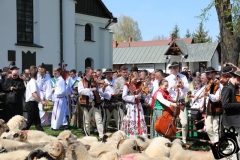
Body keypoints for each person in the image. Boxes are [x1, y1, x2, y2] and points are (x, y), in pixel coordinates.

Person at [165, 61, 190, 144]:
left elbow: (187, 89)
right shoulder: (168, 78)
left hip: (181, 101)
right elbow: (164, 90)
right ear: (171, 69)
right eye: (174, 68)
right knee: (171, 121)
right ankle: (170, 138)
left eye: (177, 67)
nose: (175, 69)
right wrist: (171, 87)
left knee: (184, 122)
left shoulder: (183, 77)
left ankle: (184, 140)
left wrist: (182, 86)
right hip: (172, 101)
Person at [78, 67, 103, 139]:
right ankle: (87, 136)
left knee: (99, 119)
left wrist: (101, 88)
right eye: (91, 73)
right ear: (86, 73)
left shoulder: (95, 81)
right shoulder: (81, 82)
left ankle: (101, 135)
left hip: (95, 103)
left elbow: (100, 90)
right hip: (87, 103)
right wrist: (90, 89)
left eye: (93, 73)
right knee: (87, 121)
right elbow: (80, 91)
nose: (93, 74)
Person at [221, 68, 240, 160]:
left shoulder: (236, 89)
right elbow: (225, 104)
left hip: (236, 121)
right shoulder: (227, 88)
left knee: (233, 145)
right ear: (237, 78)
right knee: (235, 147)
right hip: (230, 121)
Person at [121, 72, 148, 137]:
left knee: (139, 119)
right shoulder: (127, 85)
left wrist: (142, 93)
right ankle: (131, 135)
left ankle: (141, 135)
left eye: (137, 79)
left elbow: (140, 94)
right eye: (135, 79)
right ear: (131, 78)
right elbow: (124, 96)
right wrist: (134, 97)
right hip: (131, 106)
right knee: (132, 119)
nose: (136, 81)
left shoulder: (137, 85)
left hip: (138, 105)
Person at [203, 67, 223, 144]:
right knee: (208, 129)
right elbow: (205, 98)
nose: (207, 75)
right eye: (206, 73)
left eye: (209, 73)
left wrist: (208, 94)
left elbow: (216, 99)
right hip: (209, 108)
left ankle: (216, 145)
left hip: (217, 108)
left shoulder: (218, 84)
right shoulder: (208, 84)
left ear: (214, 73)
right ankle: (215, 142)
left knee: (216, 128)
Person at [99, 68, 116, 133]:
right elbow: (101, 93)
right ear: (105, 74)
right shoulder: (103, 81)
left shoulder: (116, 80)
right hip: (107, 101)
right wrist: (104, 87)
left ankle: (120, 134)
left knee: (118, 119)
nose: (109, 74)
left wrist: (115, 93)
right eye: (107, 73)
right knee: (106, 119)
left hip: (116, 101)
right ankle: (103, 133)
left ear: (112, 74)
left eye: (110, 73)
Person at [113, 65, 128, 130]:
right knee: (121, 118)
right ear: (121, 73)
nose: (125, 74)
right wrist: (124, 90)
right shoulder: (117, 80)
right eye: (124, 72)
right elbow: (116, 91)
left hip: (129, 102)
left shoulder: (129, 79)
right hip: (120, 101)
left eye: (126, 72)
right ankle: (120, 131)